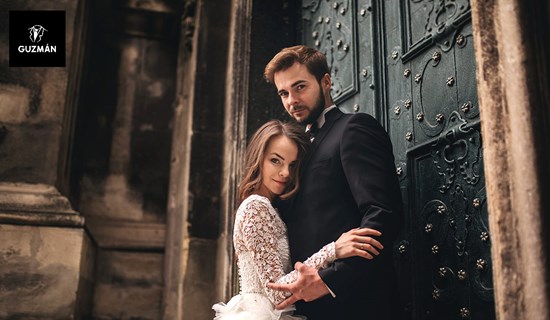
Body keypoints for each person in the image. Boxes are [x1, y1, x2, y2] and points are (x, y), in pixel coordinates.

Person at [264, 45, 403, 319]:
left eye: (300, 87)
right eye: (284, 93)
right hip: (302, 308)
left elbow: (384, 214)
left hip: (355, 303)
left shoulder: (353, 128)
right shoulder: (293, 151)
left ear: (326, 82)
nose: (292, 100)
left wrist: (330, 280)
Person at [212, 120, 385, 319]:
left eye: (292, 165)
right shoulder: (255, 207)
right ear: (258, 158)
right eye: (275, 161)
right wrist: (332, 250)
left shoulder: (272, 208)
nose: (285, 173)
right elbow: (277, 291)